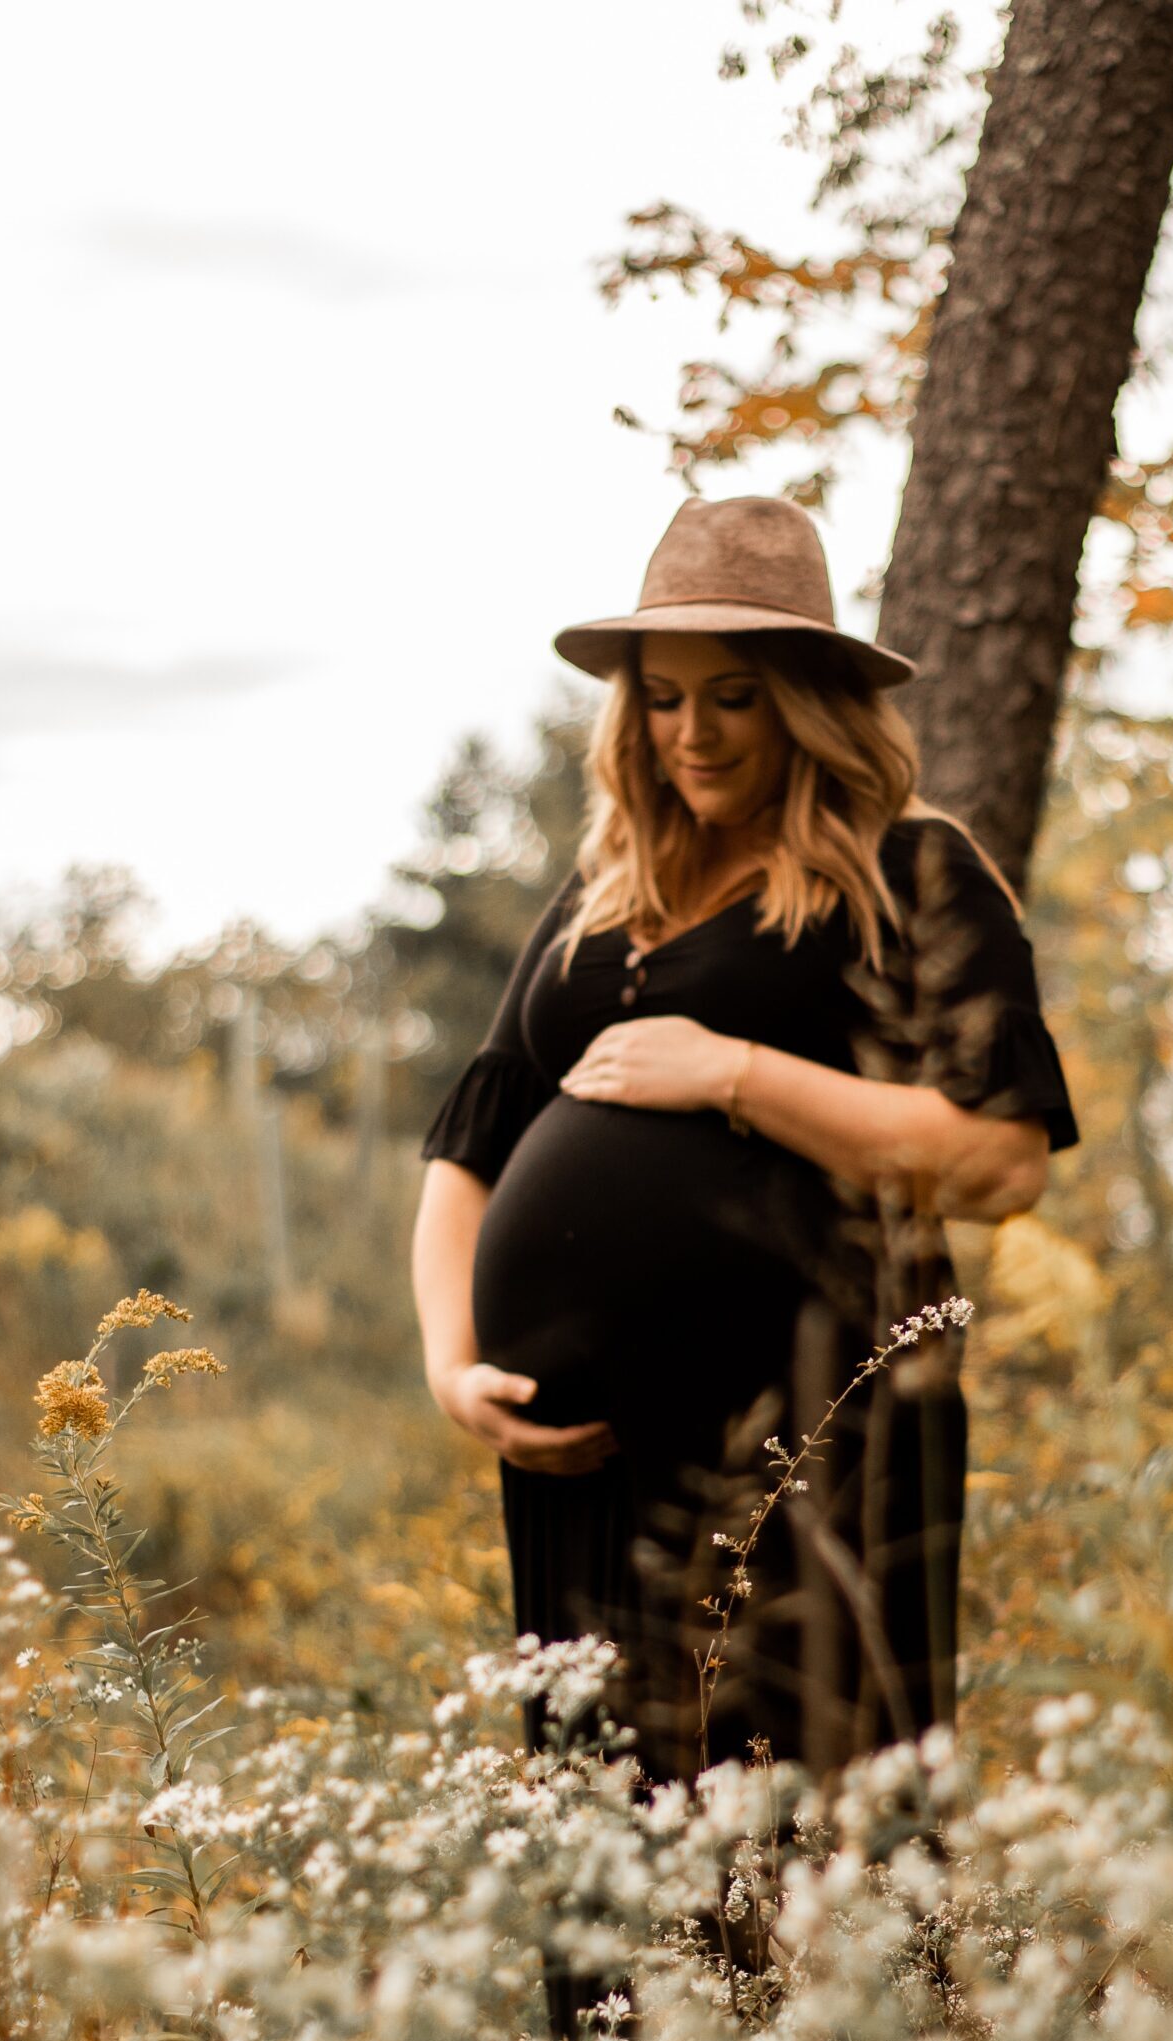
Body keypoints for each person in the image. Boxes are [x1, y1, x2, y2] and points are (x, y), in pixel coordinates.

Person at [410, 494, 1079, 1798]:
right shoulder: (601, 896)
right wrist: (451, 1362)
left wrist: (731, 1071)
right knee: (603, 1828)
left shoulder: (907, 873)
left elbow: (1001, 1158)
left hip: (802, 1434)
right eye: (662, 698)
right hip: (582, 1459)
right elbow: (474, 1140)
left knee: (800, 1810)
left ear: (807, 700)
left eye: (733, 697)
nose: (691, 733)